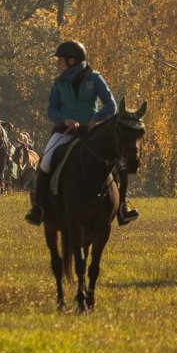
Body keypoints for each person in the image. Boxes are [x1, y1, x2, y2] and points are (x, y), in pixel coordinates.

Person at [24, 40, 137, 226]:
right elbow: (51, 110)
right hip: (65, 131)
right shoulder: (59, 82)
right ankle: (39, 207)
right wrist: (65, 120)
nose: (57, 64)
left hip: (91, 132)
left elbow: (111, 105)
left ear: (71, 60)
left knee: (120, 161)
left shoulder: (94, 78)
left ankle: (123, 206)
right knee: (45, 161)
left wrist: (96, 119)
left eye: (60, 60)